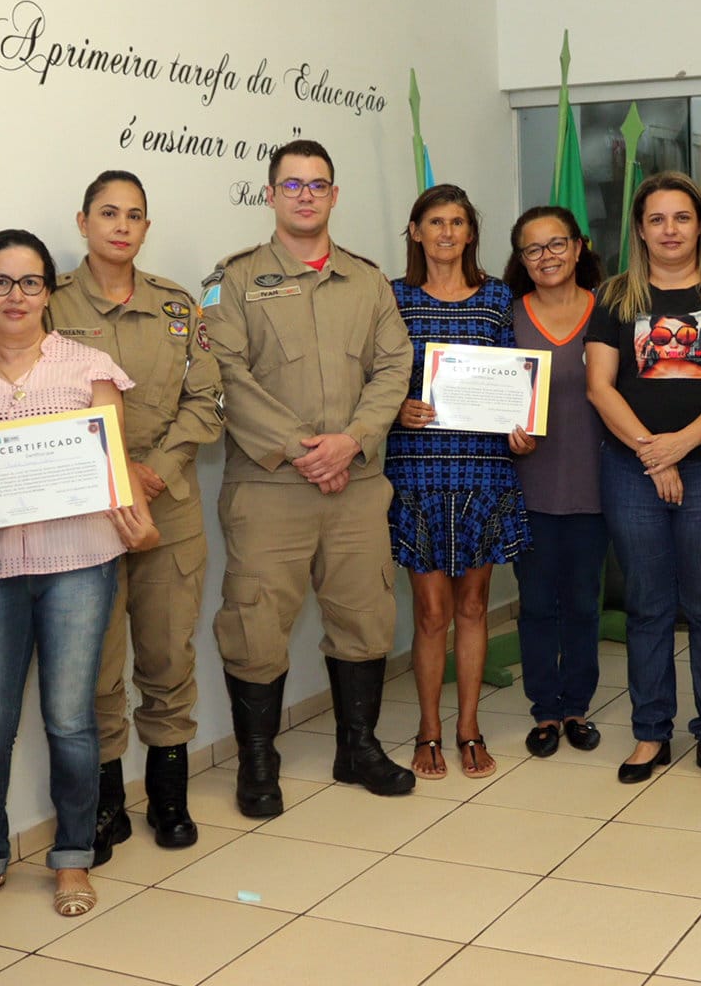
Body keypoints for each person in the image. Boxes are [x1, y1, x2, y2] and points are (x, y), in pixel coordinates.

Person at [0, 230, 159, 923]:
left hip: (79, 565)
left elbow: (113, 460)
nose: (15, 296)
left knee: (70, 721)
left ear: (49, 292)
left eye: (30, 282)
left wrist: (140, 518)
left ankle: (72, 858)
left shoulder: (87, 365)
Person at [200, 138, 416, 816]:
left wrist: (348, 442)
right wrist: (303, 449)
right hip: (269, 488)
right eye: (290, 184)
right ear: (270, 195)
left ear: (334, 195)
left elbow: (393, 368)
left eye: (317, 184)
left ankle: (359, 748)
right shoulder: (232, 279)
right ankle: (258, 764)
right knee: (256, 625)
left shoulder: (368, 280)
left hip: (354, 484)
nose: (304, 195)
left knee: (366, 617)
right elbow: (223, 375)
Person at [47, 171, 222, 859]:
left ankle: (170, 796)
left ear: (147, 229)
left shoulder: (177, 305)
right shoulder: (51, 303)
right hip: (84, 508)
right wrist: (113, 473)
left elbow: (206, 400)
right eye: (108, 212)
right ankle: (105, 805)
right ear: (83, 220)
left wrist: (159, 469)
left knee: (167, 652)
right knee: (94, 665)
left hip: (165, 502)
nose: (122, 225)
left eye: (135, 215)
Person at [586, 172, 701, 789]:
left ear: (700, 225)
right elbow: (599, 387)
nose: (670, 230)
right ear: (640, 228)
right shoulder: (614, 296)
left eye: (681, 218)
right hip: (631, 469)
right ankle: (650, 732)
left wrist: (680, 448)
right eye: (657, 219)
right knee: (647, 605)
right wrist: (650, 453)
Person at [388, 185, 531, 779]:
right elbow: (375, 375)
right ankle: (428, 730)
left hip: (485, 467)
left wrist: (521, 423)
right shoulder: (391, 298)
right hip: (417, 468)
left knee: (473, 605)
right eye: (434, 223)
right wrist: (397, 405)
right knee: (429, 612)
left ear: (472, 233)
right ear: (416, 232)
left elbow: (513, 374)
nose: (446, 233)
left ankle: (469, 728)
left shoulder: (499, 297)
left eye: (458, 223)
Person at [504, 206, 607, 759]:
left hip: (596, 484)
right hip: (531, 485)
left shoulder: (610, 309)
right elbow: (489, 393)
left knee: (584, 603)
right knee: (539, 602)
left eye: (557, 244)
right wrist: (506, 432)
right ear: (521, 258)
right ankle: (544, 709)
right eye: (533, 249)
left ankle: (577, 707)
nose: (547, 257)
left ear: (580, 245)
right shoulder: (507, 314)